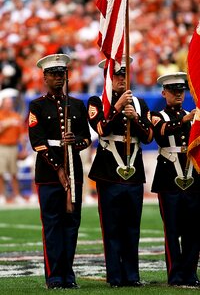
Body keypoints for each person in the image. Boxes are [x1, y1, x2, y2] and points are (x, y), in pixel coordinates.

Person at [87, 56, 153, 288]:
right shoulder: (97, 102)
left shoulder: (139, 103)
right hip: (108, 173)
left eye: (124, 75)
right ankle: (115, 276)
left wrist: (135, 118)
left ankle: (132, 275)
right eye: (117, 75)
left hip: (133, 172)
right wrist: (115, 108)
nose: (121, 79)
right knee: (112, 227)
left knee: (132, 227)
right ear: (107, 77)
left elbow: (148, 137)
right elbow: (101, 130)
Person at [28, 54, 91, 289]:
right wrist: (58, 167)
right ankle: (54, 276)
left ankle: (68, 275)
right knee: (52, 225)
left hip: (74, 171)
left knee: (72, 224)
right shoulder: (37, 105)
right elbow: (38, 142)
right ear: (44, 77)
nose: (58, 78)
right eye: (53, 74)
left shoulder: (76, 104)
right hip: (48, 174)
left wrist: (74, 143)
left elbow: (87, 139)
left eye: (61, 74)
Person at [151, 72, 200, 287]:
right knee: (171, 230)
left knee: (193, 230)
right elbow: (160, 133)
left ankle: (190, 273)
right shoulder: (157, 114)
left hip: (192, 178)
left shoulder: (192, 116)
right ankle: (175, 274)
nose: (178, 94)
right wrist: (184, 120)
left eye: (181, 90)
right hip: (168, 178)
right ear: (164, 93)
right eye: (173, 91)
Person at [0, 88, 27, 205]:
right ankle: (1, 196)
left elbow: (21, 135)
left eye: (10, 103)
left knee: (14, 173)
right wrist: (6, 125)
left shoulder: (16, 116)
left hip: (14, 146)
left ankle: (17, 195)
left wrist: (24, 149)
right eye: (7, 103)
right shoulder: (0, 116)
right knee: (0, 173)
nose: (9, 105)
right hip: (2, 146)